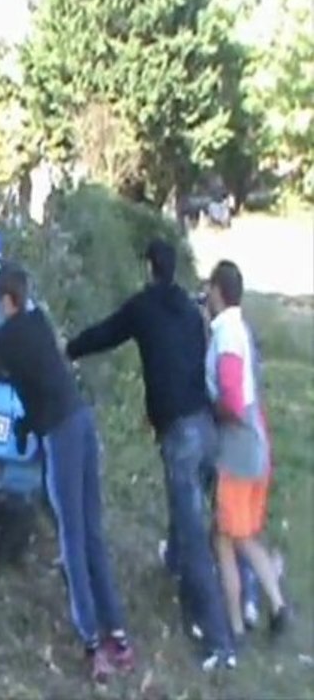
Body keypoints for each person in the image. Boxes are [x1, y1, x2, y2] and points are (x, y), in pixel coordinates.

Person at [64, 239, 236, 669]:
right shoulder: (192, 312)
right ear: (174, 270)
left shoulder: (143, 307)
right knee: (194, 514)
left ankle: (219, 642)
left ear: (148, 269)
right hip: (206, 425)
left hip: (180, 432)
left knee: (193, 530)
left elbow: (106, 333)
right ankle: (185, 573)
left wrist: (67, 349)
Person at [0, 263, 133, 682]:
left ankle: (92, 645)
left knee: (70, 537)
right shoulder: (37, 321)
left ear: (6, 300)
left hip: (60, 436)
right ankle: (119, 637)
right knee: (91, 532)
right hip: (83, 422)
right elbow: (14, 352)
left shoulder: (7, 335)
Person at [205, 260, 289, 641]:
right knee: (239, 534)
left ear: (218, 291)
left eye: (209, 288)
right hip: (256, 442)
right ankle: (271, 605)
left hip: (237, 450)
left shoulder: (224, 334)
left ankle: (239, 621)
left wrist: (213, 410)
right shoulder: (241, 328)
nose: (206, 295)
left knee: (229, 537)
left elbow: (233, 400)